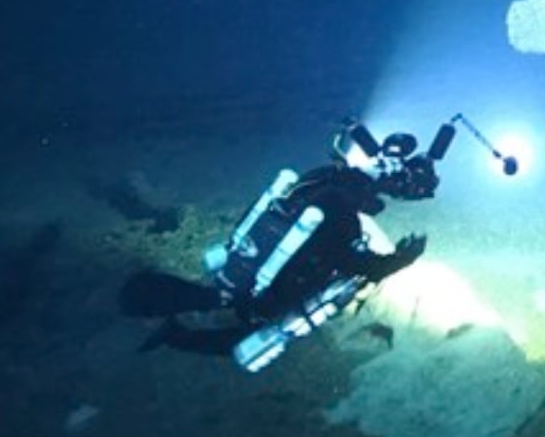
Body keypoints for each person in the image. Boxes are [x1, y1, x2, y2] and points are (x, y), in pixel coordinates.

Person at [119, 118, 443, 371]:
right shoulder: (341, 210)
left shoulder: (317, 178)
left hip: (242, 271)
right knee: (240, 341)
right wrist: (403, 257)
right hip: (267, 298)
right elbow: (359, 265)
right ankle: (166, 324)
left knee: (217, 305)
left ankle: (160, 313)